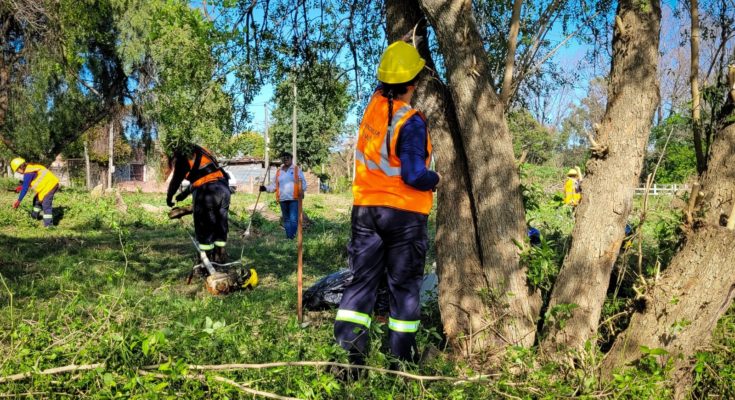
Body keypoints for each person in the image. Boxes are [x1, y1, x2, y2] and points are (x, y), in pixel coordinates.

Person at [333, 41, 440, 371]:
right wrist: (436, 178)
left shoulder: (373, 108)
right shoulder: (411, 122)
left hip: (366, 209)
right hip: (404, 213)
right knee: (404, 287)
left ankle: (349, 358)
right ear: (413, 83)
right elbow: (413, 174)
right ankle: (401, 362)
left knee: (361, 282)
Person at [166, 144, 230, 264]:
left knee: (205, 227)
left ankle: (205, 263)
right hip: (224, 189)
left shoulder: (182, 157)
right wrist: (183, 195)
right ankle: (220, 256)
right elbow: (203, 175)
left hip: (207, 193)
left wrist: (169, 197)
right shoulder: (203, 151)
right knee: (220, 225)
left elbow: (176, 180)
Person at [259, 152, 307, 239]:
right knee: (286, 219)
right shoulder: (279, 172)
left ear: (291, 159)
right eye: (284, 158)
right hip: (282, 198)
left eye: (287, 158)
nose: (286, 159)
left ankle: (291, 237)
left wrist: (302, 191)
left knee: (293, 219)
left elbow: (303, 182)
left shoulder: (296, 170)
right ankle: (289, 237)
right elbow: (274, 185)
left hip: (294, 198)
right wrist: (265, 188)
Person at [10, 157, 60, 228]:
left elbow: (25, 188)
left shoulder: (28, 172)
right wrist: (20, 188)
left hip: (50, 185)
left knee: (46, 204)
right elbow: (31, 181)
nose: (18, 172)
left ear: (20, 168)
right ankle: (34, 217)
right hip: (45, 186)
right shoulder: (31, 167)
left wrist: (18, 201)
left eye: (17, 171)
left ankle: (49, 225)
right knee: (37, 200)